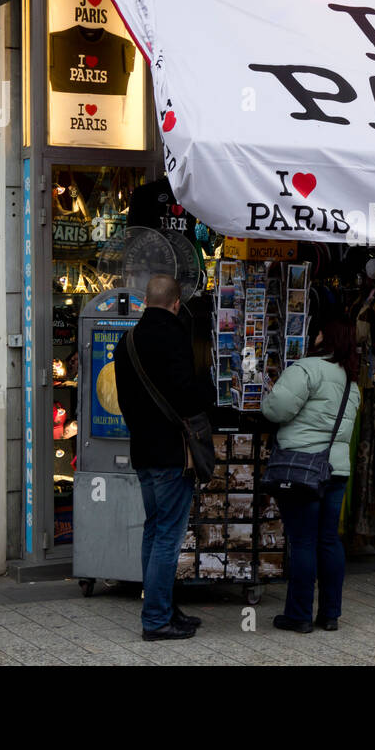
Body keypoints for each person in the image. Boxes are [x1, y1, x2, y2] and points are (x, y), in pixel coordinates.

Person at [113, 274, 214, 641]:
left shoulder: (127, 342)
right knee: (168, 538)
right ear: (175, 303)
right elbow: (188, 396)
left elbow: (125, 401)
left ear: (144, 301)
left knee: (154, 532)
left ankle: (164, 608)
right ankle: (156, 618)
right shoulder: (175, 337)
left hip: (143, 450)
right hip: (173, 453)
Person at [261, 317, 361, 632]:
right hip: (336, 470)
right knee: (329, 540)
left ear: (324, 336)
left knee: (303, 541)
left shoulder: (306, 369)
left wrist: (267, 391)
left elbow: (274, 410)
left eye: (317, 330)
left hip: (303, 468)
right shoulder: (351, 382)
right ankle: (330, 614)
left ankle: (299, 615)